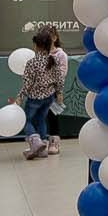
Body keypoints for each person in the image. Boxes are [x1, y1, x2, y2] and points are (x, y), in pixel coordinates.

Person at [10, 32, 66, 160]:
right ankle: (42, 149)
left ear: (36, 46)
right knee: (41, 120)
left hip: (34, 98)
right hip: (49, 97)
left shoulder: (32, 63)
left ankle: (35, 142)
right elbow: (59, 79)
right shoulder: (54, 60)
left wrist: (20, 96)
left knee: (26, 120)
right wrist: (59, 93)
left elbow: (27, 83)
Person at [37, 25, 68, 155]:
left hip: (53, 90)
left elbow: (62, 73)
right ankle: (40, 142)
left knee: (52, 115)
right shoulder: (39, 53)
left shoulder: (61, 55)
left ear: (55, 38)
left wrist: (57, 90)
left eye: (48, 38)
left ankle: (54, 142)